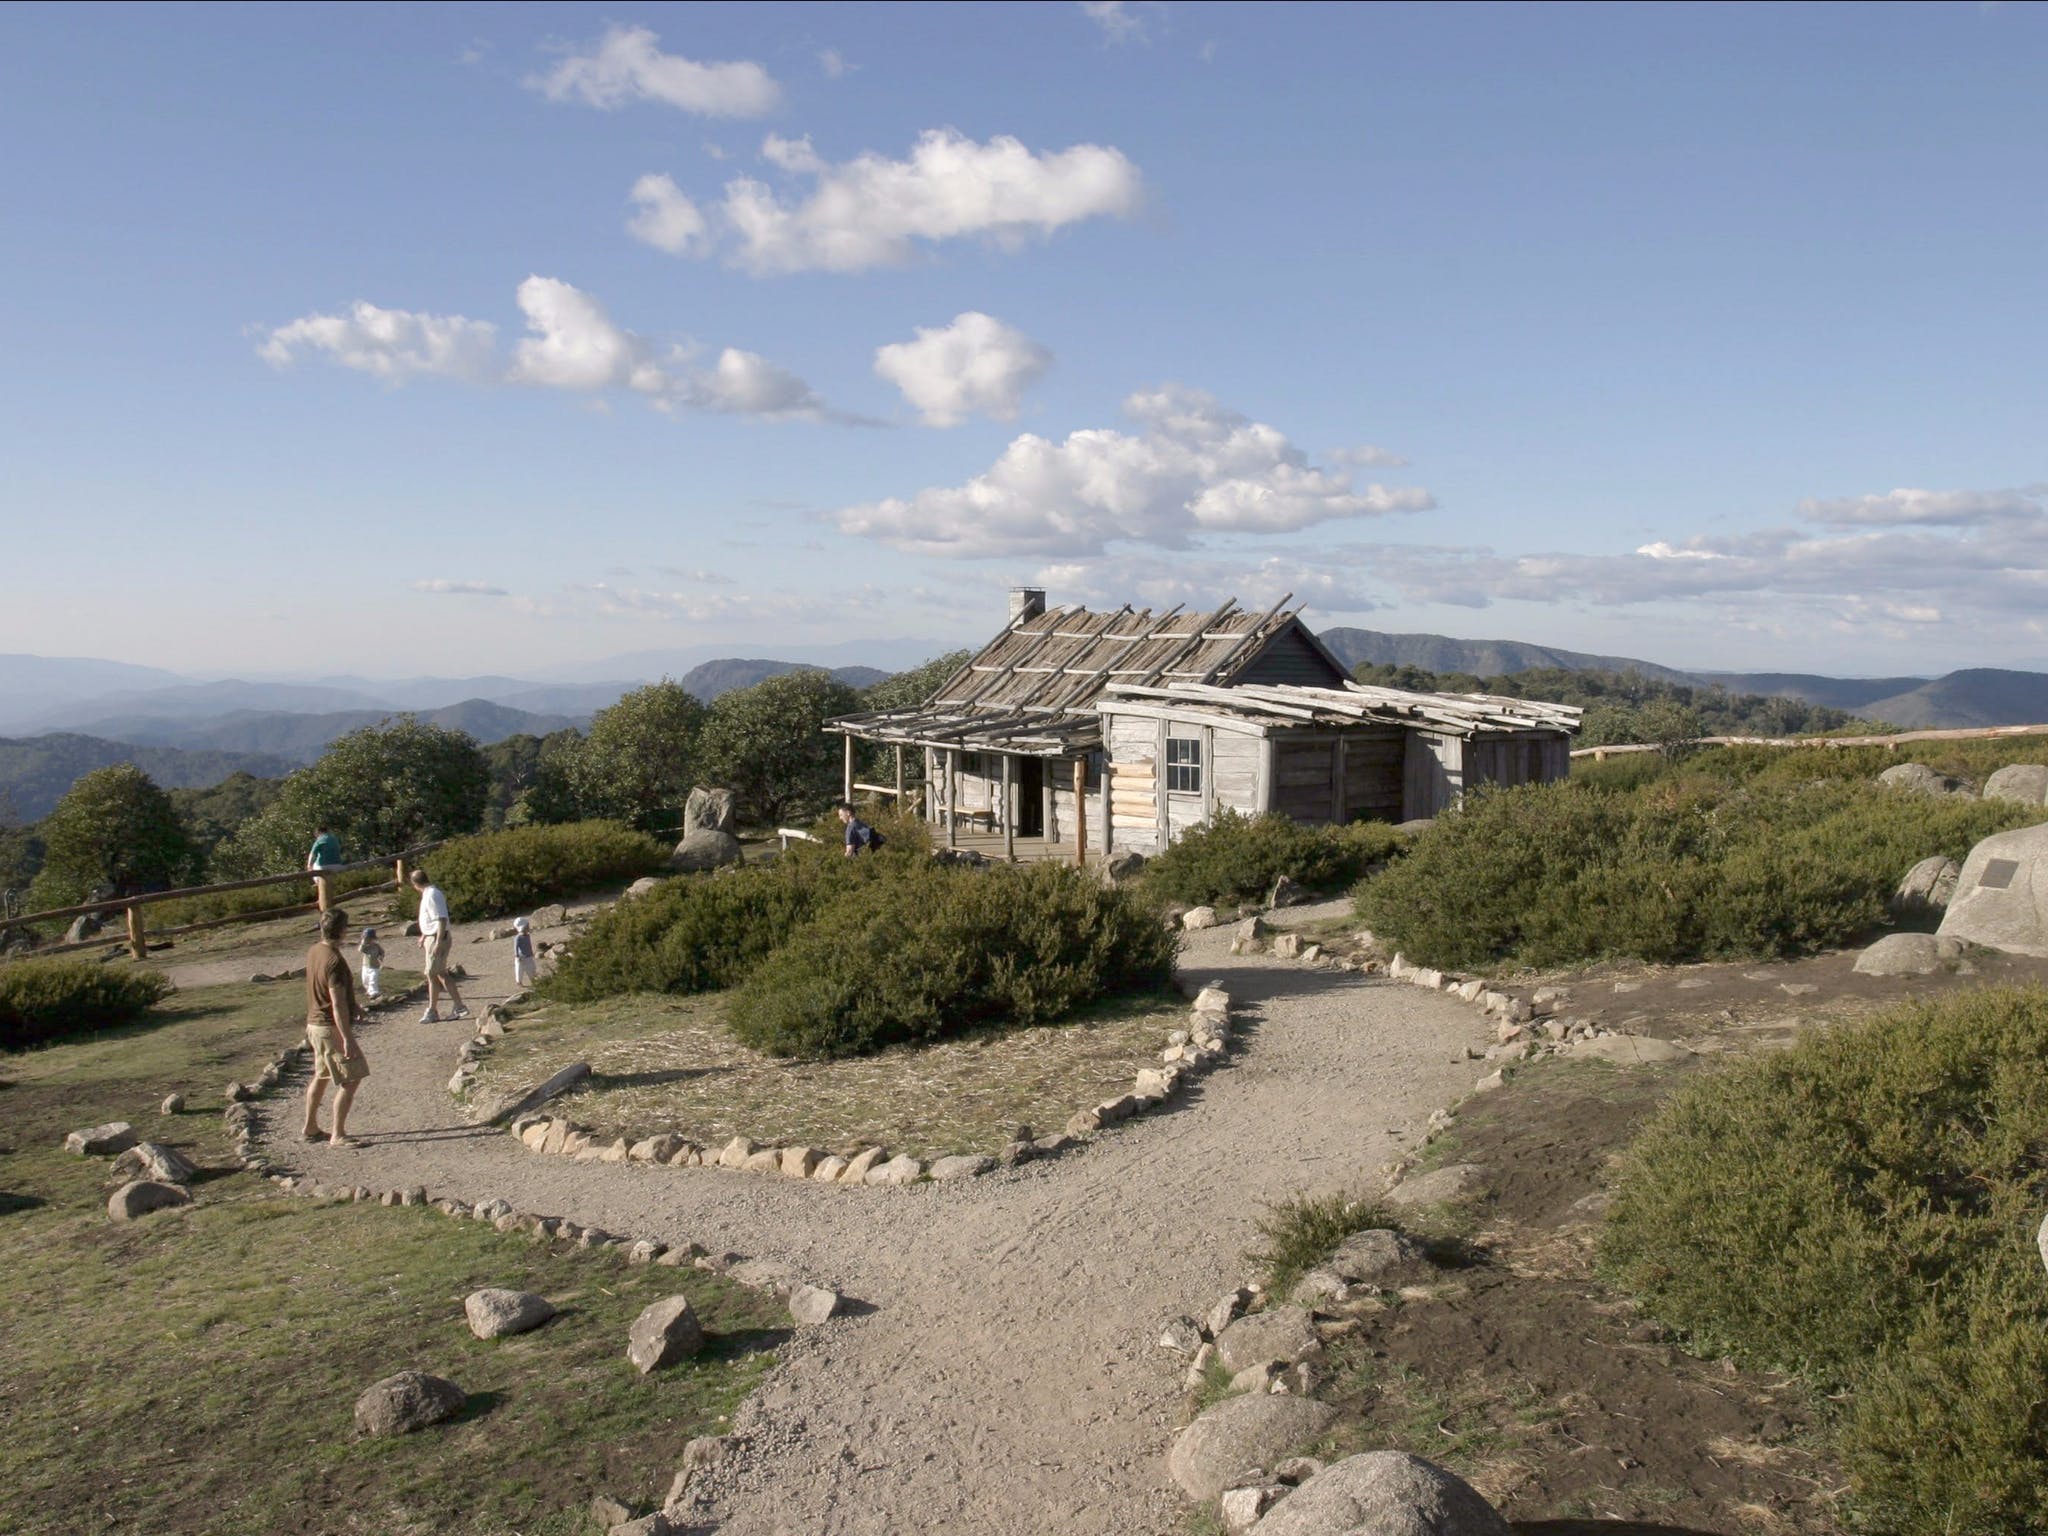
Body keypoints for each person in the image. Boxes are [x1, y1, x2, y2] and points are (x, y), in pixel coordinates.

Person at [302, 907, 368, 1147]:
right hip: (330, 1027)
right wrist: (347, 1038)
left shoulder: (315, 951)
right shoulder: (335, 961)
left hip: (314, 1024)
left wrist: (354, 1004)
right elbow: (337, 1003)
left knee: (321, 1075)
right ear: (342, 929)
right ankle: (337, 1134)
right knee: (352, 1077)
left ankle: (310, 1126)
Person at [410, 868, 469, 1023]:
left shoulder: (431, 895)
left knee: (435, 973)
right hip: (432, 936)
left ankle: (448, 1008)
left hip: (437, 938)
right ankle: (442, 1008)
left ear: (415, 884)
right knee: (437, 973)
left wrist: (437, 940)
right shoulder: (430, 894)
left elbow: (441, 919)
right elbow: (431, 918)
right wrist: (424, 935)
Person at [305, 824, 344, 909]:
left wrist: (309, 866)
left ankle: (317, 882)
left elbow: (312, 854)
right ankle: (321, 887)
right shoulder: (334, 838)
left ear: (318, 832)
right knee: (328, 882)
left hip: (324, 866)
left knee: (314, 866)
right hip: (338, 865)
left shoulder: (320, 840)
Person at [356, 925, 384, 1002]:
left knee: (373, 979)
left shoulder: (376, 946)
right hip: (366, 966)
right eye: (367, 939)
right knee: (365, 979)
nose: (369, 940)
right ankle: (368, 991)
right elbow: (360, 950)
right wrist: (363, 943)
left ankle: (374, 993)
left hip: (374, 966)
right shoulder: (365, 947)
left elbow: (382, 952)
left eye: (370, 939)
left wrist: (381, 957)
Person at [511, 915, 536, 988]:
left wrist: (531, 952)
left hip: (528, 955)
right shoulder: (518, 937)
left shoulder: (527, 936)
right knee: (519, 969)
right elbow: (516, 946)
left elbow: (529, 945)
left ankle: (533, 979)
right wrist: (517, 955)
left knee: (531, 968)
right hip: (521, 956)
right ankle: (519, 981)